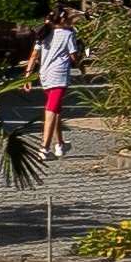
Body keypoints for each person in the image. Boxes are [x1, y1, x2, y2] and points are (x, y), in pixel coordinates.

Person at [33, 12, 79, 159]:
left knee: (56, 109)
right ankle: (44, 148)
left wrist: (28, 74)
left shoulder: (43, 34)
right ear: (63, 19)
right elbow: (73, 56)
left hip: (45, 76)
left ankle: (60, 144)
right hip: (59, 75)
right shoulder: (68, 34)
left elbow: (34, 55)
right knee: (51, 109)